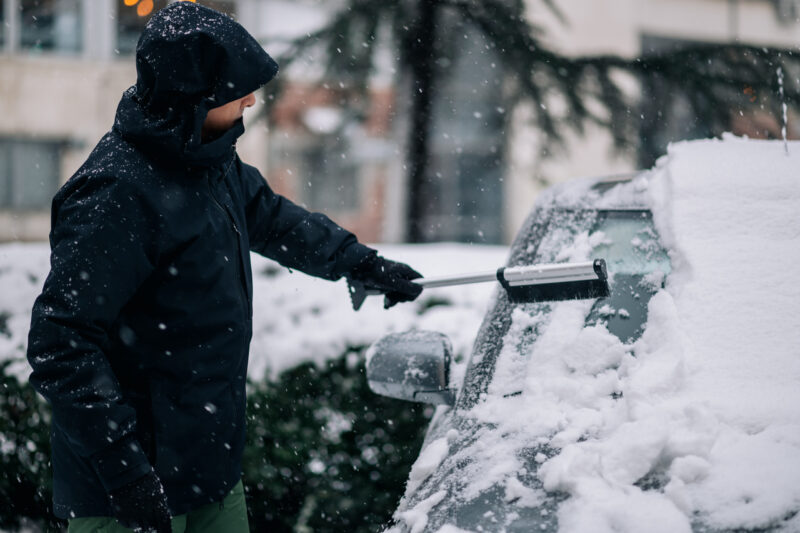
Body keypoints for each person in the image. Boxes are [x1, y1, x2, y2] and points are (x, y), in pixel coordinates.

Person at [25, 3, 422, 532]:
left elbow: (272, 218)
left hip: (206, 465)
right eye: (237, 89)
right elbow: (61, 342)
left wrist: (358, 262)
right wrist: (126, 474)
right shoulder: (117, 193)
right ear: (194, 97)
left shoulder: (209, 160)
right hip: (127, 488)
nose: (251, 99)